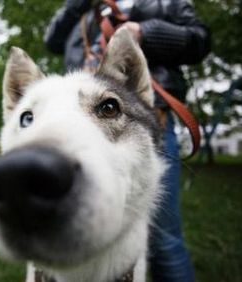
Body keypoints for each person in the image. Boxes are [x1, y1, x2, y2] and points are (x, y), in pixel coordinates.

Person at [44, 1, 211, 281]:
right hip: (75, 124)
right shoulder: (82, 9)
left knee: (162, 238)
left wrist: (145, 32)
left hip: (144, 123)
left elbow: (200, 40)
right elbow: (52, 40)